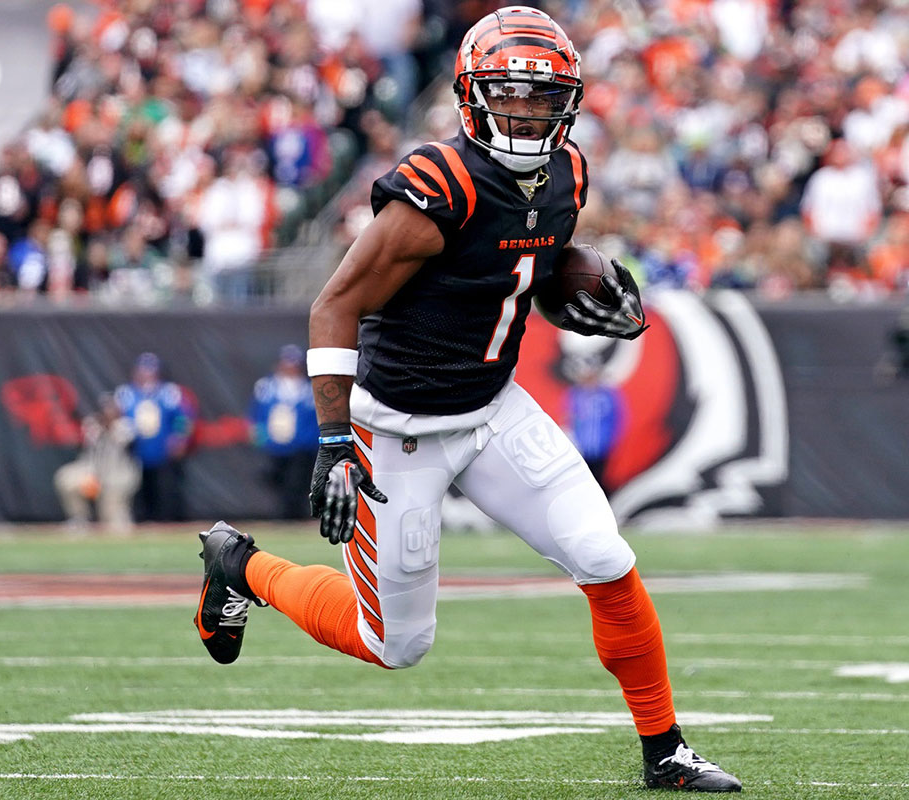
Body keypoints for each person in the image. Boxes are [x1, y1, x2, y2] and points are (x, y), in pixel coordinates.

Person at [194, 8, 741, 793]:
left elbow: (524, 264)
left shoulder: (568, 174)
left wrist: (578, 285)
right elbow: (334, 304)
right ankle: (241, 565)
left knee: (603, 555)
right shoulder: (435, 189)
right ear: (473, 97)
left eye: (542, 97)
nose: (526, 112)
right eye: (509, 95)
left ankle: (666, 751)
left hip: (490, 410)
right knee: (396, 644)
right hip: (397, 429)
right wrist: (334, 439)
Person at [114, 353, 192, 522]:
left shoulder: (169, 392)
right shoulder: (126, 393)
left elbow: (182, 418)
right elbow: (115, 417)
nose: (146, 374)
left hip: (162, 449)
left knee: (165, 488)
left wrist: (179, 439)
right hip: (134, 451)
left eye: (150, 370)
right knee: (136, 489)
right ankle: (141, 521)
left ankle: (165, 522)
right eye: (143, 370)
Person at [249, 345, 319, 520]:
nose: (291, 368)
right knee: (275, 479)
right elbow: (256, 414)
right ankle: (283, 515)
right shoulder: (266, 386)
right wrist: (260, 435)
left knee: (297, 482)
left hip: (302, 445)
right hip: (274, 445)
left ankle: (294, 517)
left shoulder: (309, 388)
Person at [53, 392, 140, 532]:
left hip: (118, 476)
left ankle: (118, 520)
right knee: (65, 478)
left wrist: (108, 424)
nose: (108, 411)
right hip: (92, 471)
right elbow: (86, 439)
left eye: (111, 408)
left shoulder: (127, 425)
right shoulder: (93, 423)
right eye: (106, 408)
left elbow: (122, 439)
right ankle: (79, 519)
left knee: (114, 523)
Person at [564, 358, 625, 491]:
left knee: (600, 480)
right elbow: (569, 419)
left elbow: (618, 419)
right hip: (581, 448)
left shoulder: (608, 395)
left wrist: (611, 442)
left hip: (602, 448)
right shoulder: (575, 394)